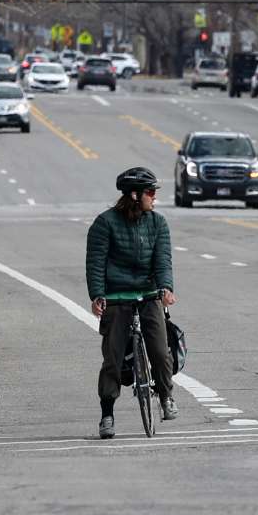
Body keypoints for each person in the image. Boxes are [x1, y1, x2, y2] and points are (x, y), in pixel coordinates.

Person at [86, 166, 177, 439]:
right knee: (112, 358)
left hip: (148, 295)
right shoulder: (105, 223)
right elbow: (95, 263)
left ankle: (165, 397)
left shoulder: (158, 223)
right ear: (135, 195)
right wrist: (97, 295)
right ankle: (107, 414)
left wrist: (165, 288)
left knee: (161, 352)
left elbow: (163, 260)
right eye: (151, 192)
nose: (155, 197)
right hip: (116, 297)